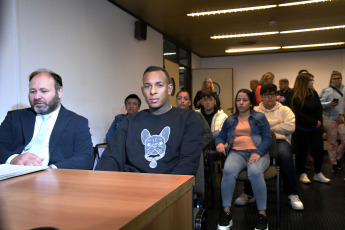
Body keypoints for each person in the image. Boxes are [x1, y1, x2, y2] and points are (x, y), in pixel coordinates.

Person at [97, 66, 202, 175]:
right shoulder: (129, 121)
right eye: (147, 86)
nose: (153, 91)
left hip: (171, 186)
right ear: (143, 91)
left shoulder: (188, 118)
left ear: (169, 89)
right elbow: (111, 157)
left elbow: (188, 163)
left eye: (159, 85)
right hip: (132, 184)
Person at [0, 69, 94, 169]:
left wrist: (51, 170)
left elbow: (85, 158)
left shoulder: (77, 122)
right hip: (14, 174)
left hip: (55, 178)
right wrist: (14, 158)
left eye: (43, 91)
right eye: (32, 91)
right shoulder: (14, 117)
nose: (36, 96)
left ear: (59, 92)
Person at [234, 84, 303, 210]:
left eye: (272, 94)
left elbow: (290, 127)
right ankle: (249, 193)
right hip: (259, 141)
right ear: (261, 97)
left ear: (276, 96)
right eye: (266, 95)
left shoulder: (285, 110)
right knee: (250, 155)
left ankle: (292, 194)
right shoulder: (255, 110)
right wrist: (277, 123)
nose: (270, 97)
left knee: (285, 156)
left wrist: (265, 127)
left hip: (281, 141)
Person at [216, 89, 272, 230]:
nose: (240, 103)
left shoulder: (259, 117)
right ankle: (226, 213)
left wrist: (258, 152)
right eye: (238, 100)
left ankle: (262, 215)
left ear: (251, 102)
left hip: (258, 152)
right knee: (228, 170)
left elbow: (268, 138)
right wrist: (220, 143)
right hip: (237, 153)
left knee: (254, 171)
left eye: (244, 100)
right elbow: (220, 136)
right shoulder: (230, 119)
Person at [292, 73, 330, 183]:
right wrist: (314, 122)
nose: (313, 82)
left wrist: (319, 123)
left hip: (315, 129)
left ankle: (318, 173)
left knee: (318, 151)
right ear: (304, 82)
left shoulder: (313, 93)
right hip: (302, 129)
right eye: (310, 80)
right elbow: (299, 115)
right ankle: (302, 173)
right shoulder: (296, 97)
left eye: (313, 80)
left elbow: (319, 108)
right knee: (302, 152)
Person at [320, 71, 344, 173]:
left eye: (338, 78)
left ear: (341, 78)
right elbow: (320, 103)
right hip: (330, 119)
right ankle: (334, 163)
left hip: (342, 119)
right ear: (331, 80)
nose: (336, 80)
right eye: (334, 78)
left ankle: (337, 158)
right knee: (332, 142)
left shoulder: (344, 89)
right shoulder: (327, 90)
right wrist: (330, 104)